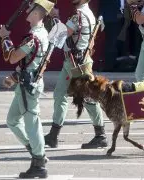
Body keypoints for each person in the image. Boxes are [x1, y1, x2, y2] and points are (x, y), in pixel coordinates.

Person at [0, 0, 54, 178]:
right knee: (12, 120)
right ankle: (36, 151)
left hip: (29, 86)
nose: (27, 10)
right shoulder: (42, 33)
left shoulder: (34, 37)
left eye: (31, 8)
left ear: (37, 13)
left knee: (32, 124)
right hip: (26, 82)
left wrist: (5, 37)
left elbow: (13, 57)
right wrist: (14, 78)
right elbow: (29, 63)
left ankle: (39, 161)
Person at [44, 0, 108, 149]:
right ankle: (53, 135)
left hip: (77, 62)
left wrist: (54, 17)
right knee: (60, 94)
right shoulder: (88, 13)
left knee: (88, 98)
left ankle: (101, 135)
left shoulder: (78, 16)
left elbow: (59, 36)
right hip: (72, 61)